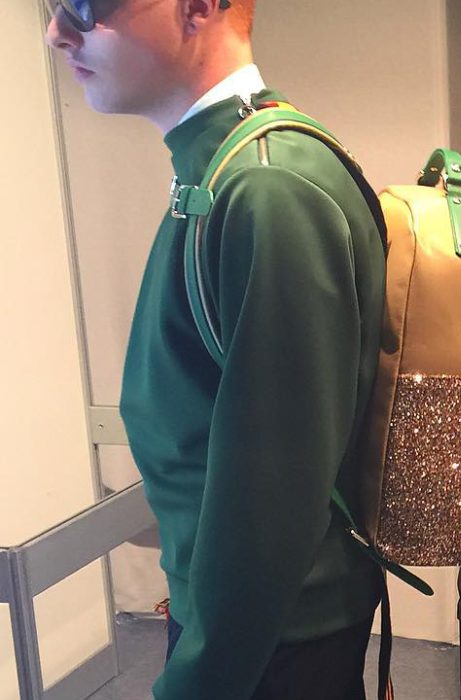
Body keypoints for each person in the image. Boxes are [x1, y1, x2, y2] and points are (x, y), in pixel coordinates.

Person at [46, 1, 387, 698]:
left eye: (85, 4)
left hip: (268, 638)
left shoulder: (268, 189)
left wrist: (200, 676)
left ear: (199, 6)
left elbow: (274, 498)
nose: (57, 32)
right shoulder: (224, 165)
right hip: (245, 621)